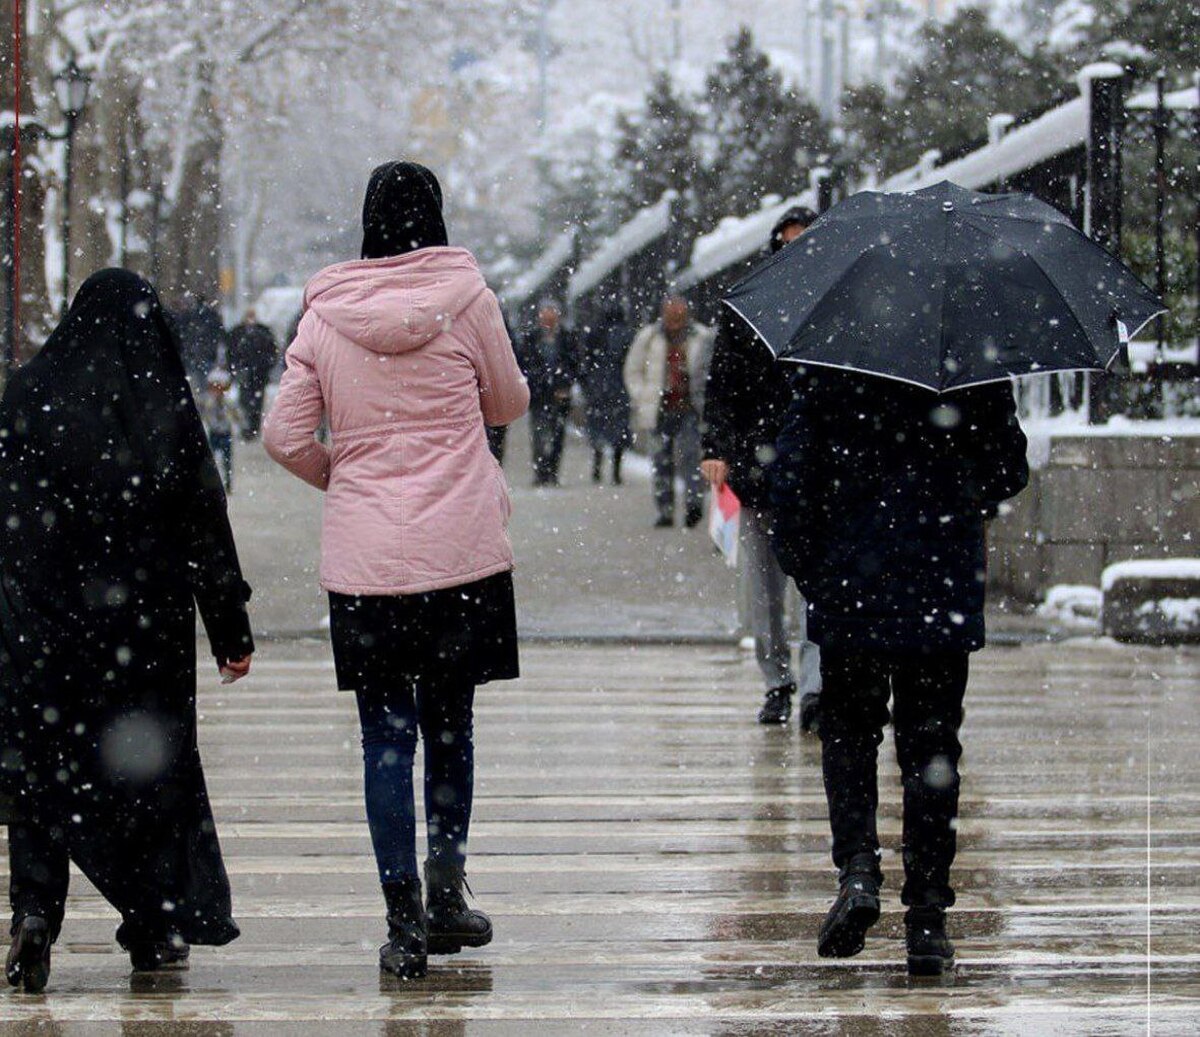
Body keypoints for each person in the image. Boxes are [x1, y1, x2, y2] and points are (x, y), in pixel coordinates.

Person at [264, 161, 529, 981]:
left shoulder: (324, 317)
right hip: (460, 554)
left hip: (367, 563)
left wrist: (345, 476)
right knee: (450, 727)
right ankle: (447, 894)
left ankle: (402, 920)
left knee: (385, 737)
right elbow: (508, 403)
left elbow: (284, 435)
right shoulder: (469, 300)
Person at [0, 270, 254, 992]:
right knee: (145, 771)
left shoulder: (27, 391)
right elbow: (202, 516)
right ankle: (151, 925)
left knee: (44, 771)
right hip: (141, 626)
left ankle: (35, 911)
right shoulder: (157, 398)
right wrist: (229, 625)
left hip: (45, 621)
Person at [769, 368, 1029, 976]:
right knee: (931, 750)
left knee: (850, 735)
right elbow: (1007, 472)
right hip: (939, 584)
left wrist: (814, 571)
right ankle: (928, 919)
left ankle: (859, 869)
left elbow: (791, 479)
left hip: (851, 583)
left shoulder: (835, 363)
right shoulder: (974, 367)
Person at [702, 206, 821, 729]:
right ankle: (778, 680)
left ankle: (814, 686)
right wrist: (717, 446)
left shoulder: (832, 305)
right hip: (761, 463)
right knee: (766, 585)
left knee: (814, 586)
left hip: (816, 466)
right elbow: (723, 384)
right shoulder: (747, 308)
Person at [625, 296, 713, 528]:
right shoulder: (649, 337)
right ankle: (665, 509)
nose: (675, 319)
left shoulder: (701, 336)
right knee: (661, 460)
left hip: (690, 408)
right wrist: (642, 395)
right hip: (658, 410)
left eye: (679, 314)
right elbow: (633, 369)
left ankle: (694, 505)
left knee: (691, 457)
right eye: (671, 313)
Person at [516, 301, 576, 487]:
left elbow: (573, 363)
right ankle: (540, 471)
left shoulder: (566, 338)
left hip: (559, 394)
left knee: (557, 435)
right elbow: (523, 364)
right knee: (539, 433)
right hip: (538, 394)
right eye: (545, 313)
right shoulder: (531, 338)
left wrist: (564, 384)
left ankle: (553, 471)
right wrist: (533, 382)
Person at [580, 302, 633, 485]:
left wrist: (588, 383)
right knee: (619, 432)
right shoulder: (626, 334)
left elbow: (586, 360)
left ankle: (597, 467)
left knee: (598, 430)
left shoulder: (595, 331)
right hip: (620, 386)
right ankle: (616, 472)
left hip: (598, 387)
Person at [227, 309, 279, 439]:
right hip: (245, 373)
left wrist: (266, 364)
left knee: (256, 403)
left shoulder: (263, 332)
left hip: (259, 373)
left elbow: (272, 351)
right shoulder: (238, 333)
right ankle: (247, 428)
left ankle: (253, 428)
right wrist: (235, 368)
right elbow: (231, 352)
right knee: (245, 400)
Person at [175, 293, 228, 390]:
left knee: (195, 376)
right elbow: (219, 331)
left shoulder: (191, 314)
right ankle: (203, 393)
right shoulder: (211, 314)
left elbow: (183, 331)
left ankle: (198, 393)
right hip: (208, 350)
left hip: (194, 351)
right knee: (205, 375)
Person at [200, 368, 240, 492]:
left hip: (225, 432)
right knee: (211, 459)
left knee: (226, 460)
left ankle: (227, 482)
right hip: (214, 432)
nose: (217, 391)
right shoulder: (208, 401)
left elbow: (236, 415)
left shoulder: (229, 402)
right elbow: (204, 413)